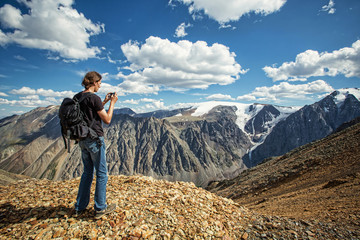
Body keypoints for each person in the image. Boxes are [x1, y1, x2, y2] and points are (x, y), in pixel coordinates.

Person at [74, 71, 118, 219]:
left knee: (87, 173)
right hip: (95, 140)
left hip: (82, 140)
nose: (100, 85)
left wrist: (103, 102)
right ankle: (100, 208)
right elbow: (107, 120)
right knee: (101, 173)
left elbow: (89, 112)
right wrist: (112, 103)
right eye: (99, 82)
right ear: (93, 82)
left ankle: (79, 207)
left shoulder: (77, 97)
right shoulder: (94, 98)